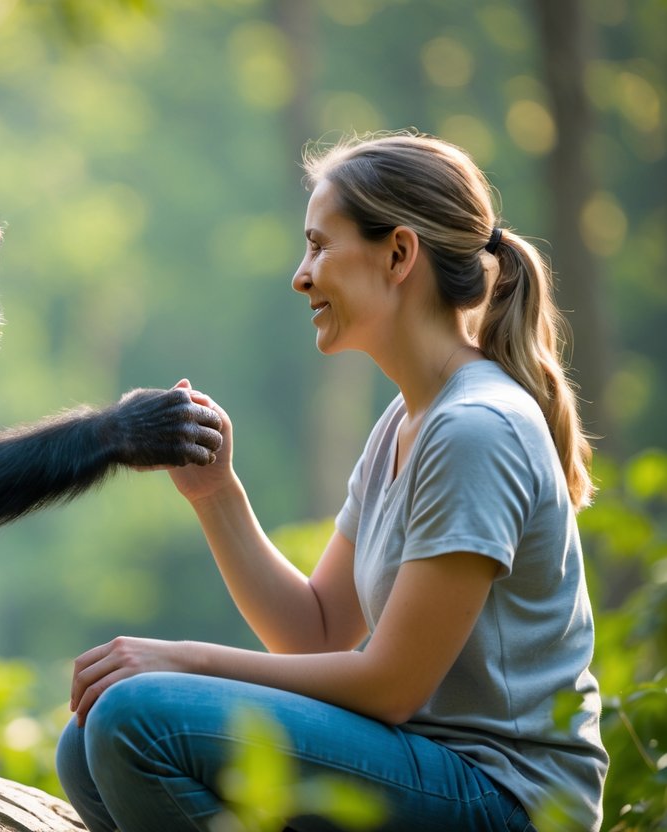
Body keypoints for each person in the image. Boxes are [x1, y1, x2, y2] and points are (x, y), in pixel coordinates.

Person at [55, 133, 608, 831]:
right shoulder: (405, 422)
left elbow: (392, 685)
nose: (301, 275)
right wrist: (215, 493)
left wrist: (183, 660)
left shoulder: (477, 427)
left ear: (398, 254)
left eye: (319, 246)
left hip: (508, 799)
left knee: (136, 719)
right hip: (427, 769)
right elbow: (316, 632)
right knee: (86, 740)